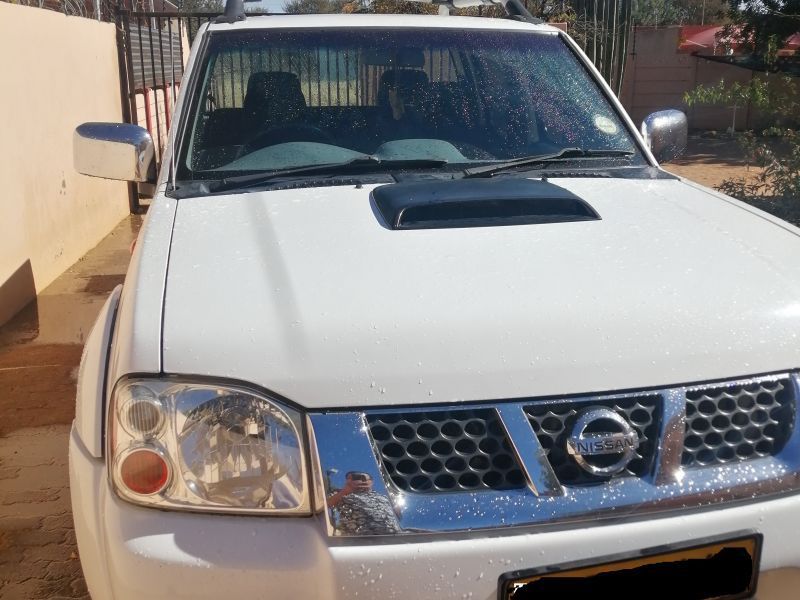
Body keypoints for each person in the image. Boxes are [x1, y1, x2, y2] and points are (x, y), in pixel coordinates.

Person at [327, 471, 400, 535]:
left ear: (371, 482)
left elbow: (398, 514)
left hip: (393, 537)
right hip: (357, 541)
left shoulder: (384, 497)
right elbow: (326, 505)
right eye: (355, 478)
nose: (361, 480)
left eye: (363, 478)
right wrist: (345, 491)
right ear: (347, 481)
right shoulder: (339, 493)